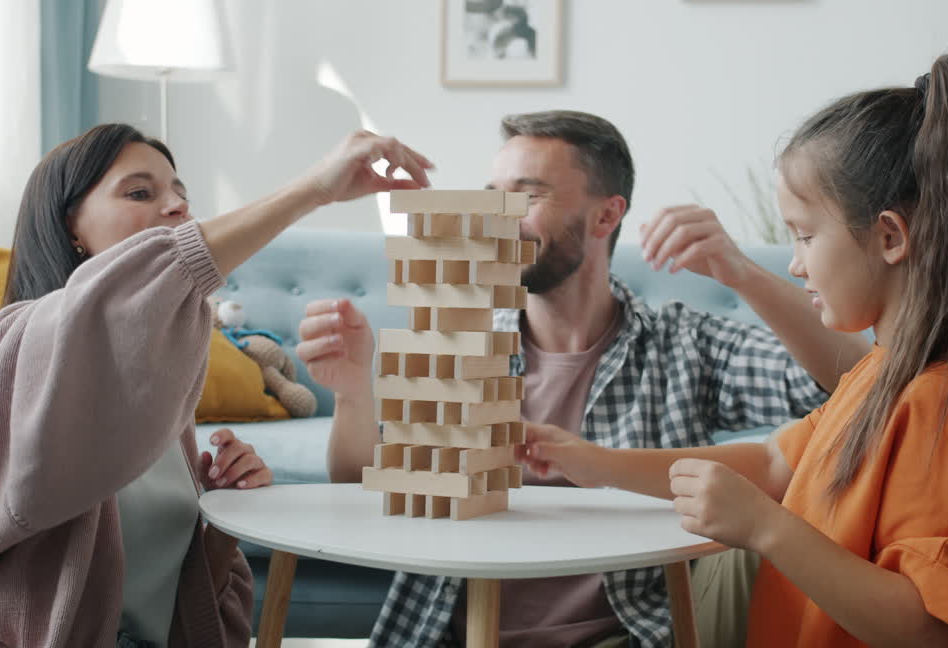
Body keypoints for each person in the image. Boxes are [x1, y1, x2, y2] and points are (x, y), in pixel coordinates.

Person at [525, 54, 948, 647]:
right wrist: (588, 461)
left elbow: (937, 634)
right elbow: (775, 464)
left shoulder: (946, 403)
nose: (796, 262)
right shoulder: (882, 372)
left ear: (889, 237)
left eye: (804, 235)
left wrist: (766, 528)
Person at [303, 110, 870, 647]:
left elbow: (855, 381)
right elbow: (360, 484)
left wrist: (742, 273)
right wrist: (353, 392)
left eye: (525, 195)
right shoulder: (458, 338)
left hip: (620, 634)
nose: (498, 216)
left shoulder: (683, 343)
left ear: (606, 215)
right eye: (491, 196)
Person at [0, 124, 432, 647]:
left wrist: (220, 513)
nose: (175, 206)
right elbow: (151, 276)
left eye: (180, 193)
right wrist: (313, 189)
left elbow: (182, 597)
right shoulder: (7, 347)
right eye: (139, 192)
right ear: (70, 225)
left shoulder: (160, 396)